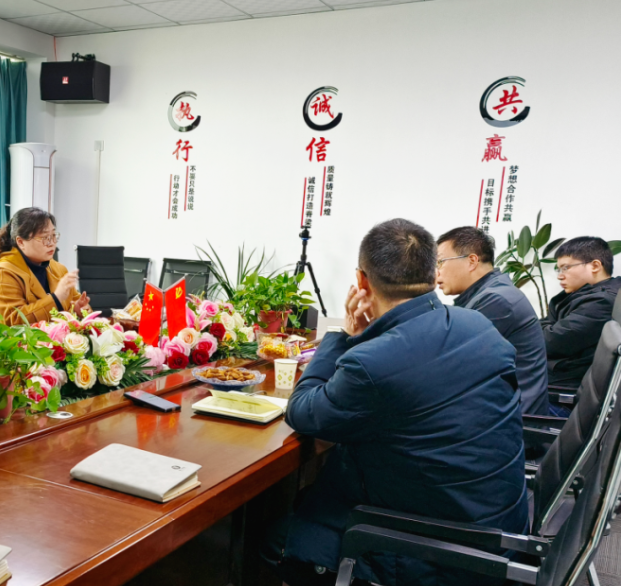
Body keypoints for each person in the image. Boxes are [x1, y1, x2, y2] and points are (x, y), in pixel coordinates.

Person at [263, 219, 527, 586]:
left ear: (362, 281)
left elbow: (304, 411)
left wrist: (342, 334)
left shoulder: (372, 363)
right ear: (432, 274)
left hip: (436, 556)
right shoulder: (477, 325)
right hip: (500, 534)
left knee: (274, 537)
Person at [436, 226, 549, 415]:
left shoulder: (497, 301)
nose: (436, 273)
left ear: (472, 261)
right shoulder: (488, 293)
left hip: (512, 419)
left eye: (440, 262)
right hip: (499, 406)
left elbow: (449, 362)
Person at [0, 207, 91, 325]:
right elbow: (12, 322)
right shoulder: (1, 275)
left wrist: (77, 311)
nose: (52, 243)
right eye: (44, 238)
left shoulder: (59, 270)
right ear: (21, 242)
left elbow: (74, 307)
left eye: (54, 235)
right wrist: (56, 299)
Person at [542, 236, 621, 391]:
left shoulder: (602, 302)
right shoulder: (581, 295)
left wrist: (547, 326)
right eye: (559, 269)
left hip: (563, 385)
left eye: (566, 268)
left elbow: (549, 342)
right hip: (555, 376)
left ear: (595, 266)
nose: (560, 276)